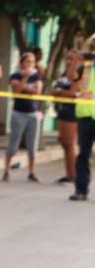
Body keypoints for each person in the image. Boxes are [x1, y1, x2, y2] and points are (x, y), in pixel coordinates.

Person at [3, 51, 44, 182]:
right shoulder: (15, 75)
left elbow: (37, 91)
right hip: (19, 112)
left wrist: (25, 88)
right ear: (22, 63)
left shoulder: (37, 76)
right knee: (14, 143)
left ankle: (32, 172)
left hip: (33, 113)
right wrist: (25, 78)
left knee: (32, 145)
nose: (30, 64)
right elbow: (16, 90)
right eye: (28, 61)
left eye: (32, 62)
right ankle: (6, 170)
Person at [52, 48, 83, 184]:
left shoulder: (81, 73)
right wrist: (62, 93)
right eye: (68, 58)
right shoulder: (64, 74)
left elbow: (72, 93)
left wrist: (62, 93)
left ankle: (74, 175)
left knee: (70, 144)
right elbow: (54, 91)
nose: (69, 61)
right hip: (63, 109)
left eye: (72, 58)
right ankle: (69, 173)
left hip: (73, 110)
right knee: (64, 143)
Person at [73, 40, 95, 201]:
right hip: (86, 116)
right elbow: (71, 78)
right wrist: (76, 58)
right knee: (83, 155)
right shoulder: (86, 66)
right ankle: (81, 190)